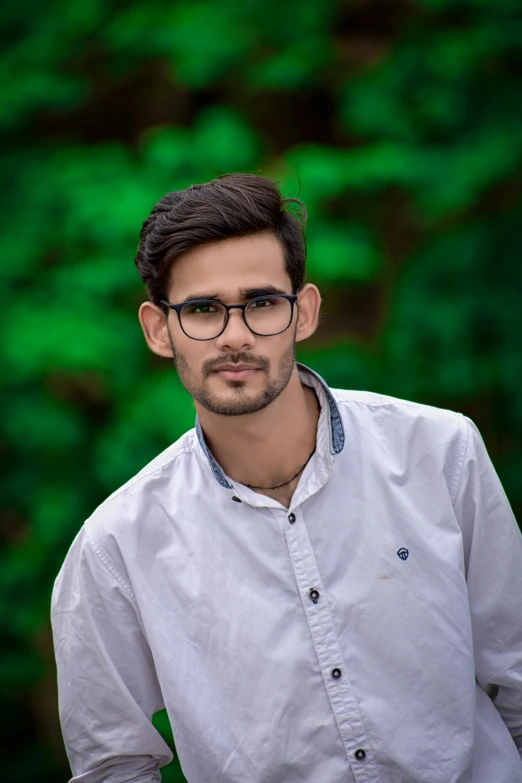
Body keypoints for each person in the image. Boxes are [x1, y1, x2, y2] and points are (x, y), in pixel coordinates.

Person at [51, 173, 522, 783]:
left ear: (305, 312)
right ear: (158, 330)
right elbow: (112, 766)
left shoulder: (440, 452)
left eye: (263, 302)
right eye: (201, 309)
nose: (236, 335)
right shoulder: (116, 546)